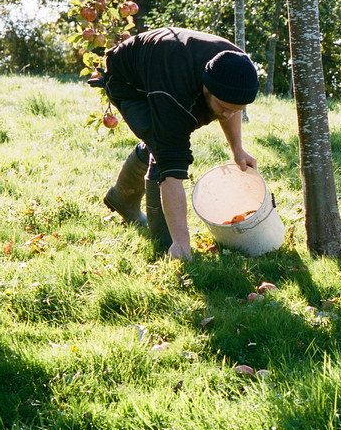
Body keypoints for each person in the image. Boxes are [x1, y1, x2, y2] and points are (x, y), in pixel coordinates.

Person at [91, 27, 261, 262]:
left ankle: (121, 197)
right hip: (128, 78)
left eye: (237, 110)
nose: (227, 114)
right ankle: (167, 242)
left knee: (164, 142)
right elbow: (172, 172)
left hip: (164, 66)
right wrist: (182, 241)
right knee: (163, 151)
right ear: (206, 87)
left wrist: (237, 150)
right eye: (222, 105)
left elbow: (230, 107)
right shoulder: (174, 94)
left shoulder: (236, 67)